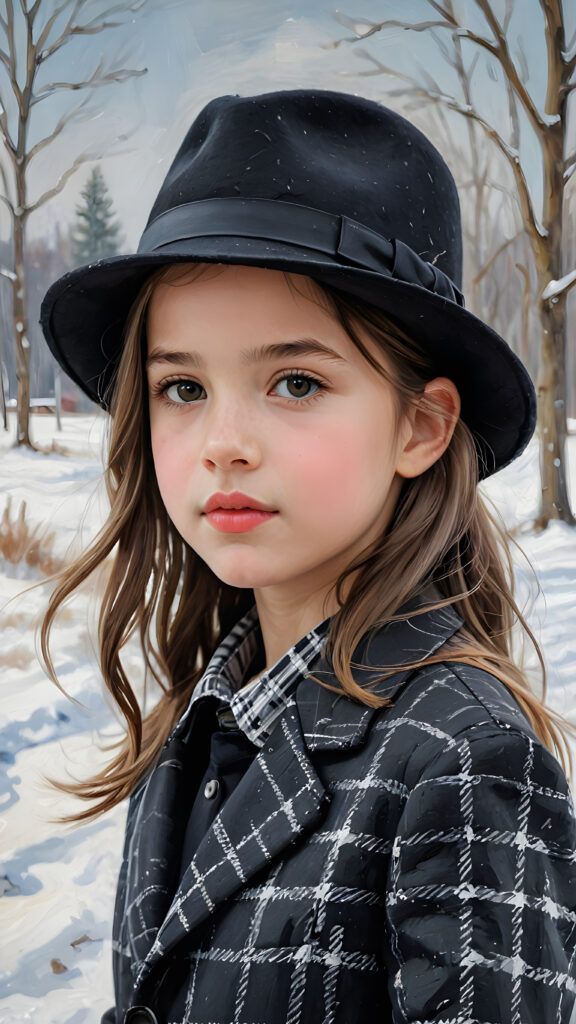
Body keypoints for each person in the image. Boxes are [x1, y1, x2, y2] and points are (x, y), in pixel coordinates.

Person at [40, 91, 576, 1024]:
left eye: (294, 382)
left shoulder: (463, 762)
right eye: (182, 387)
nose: (223, 444)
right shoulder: (197, 719)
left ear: (420, 426)